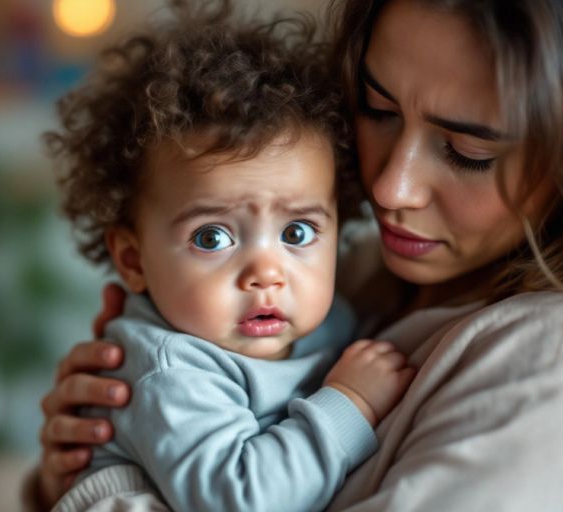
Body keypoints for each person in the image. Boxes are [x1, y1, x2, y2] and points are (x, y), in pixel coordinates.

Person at [29, 0, 563, 510]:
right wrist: (86, 450)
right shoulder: (360, 281)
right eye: (376, 111)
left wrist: (103, 495)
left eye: (467, 151)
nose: (386, 186)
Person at [37, 2, 415, 510]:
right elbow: (241, 500)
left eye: (298, 232)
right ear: (132, 260)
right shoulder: (173, 372)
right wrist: (351, 404)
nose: (267, 273)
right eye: (212, 238)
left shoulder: (337, 317)